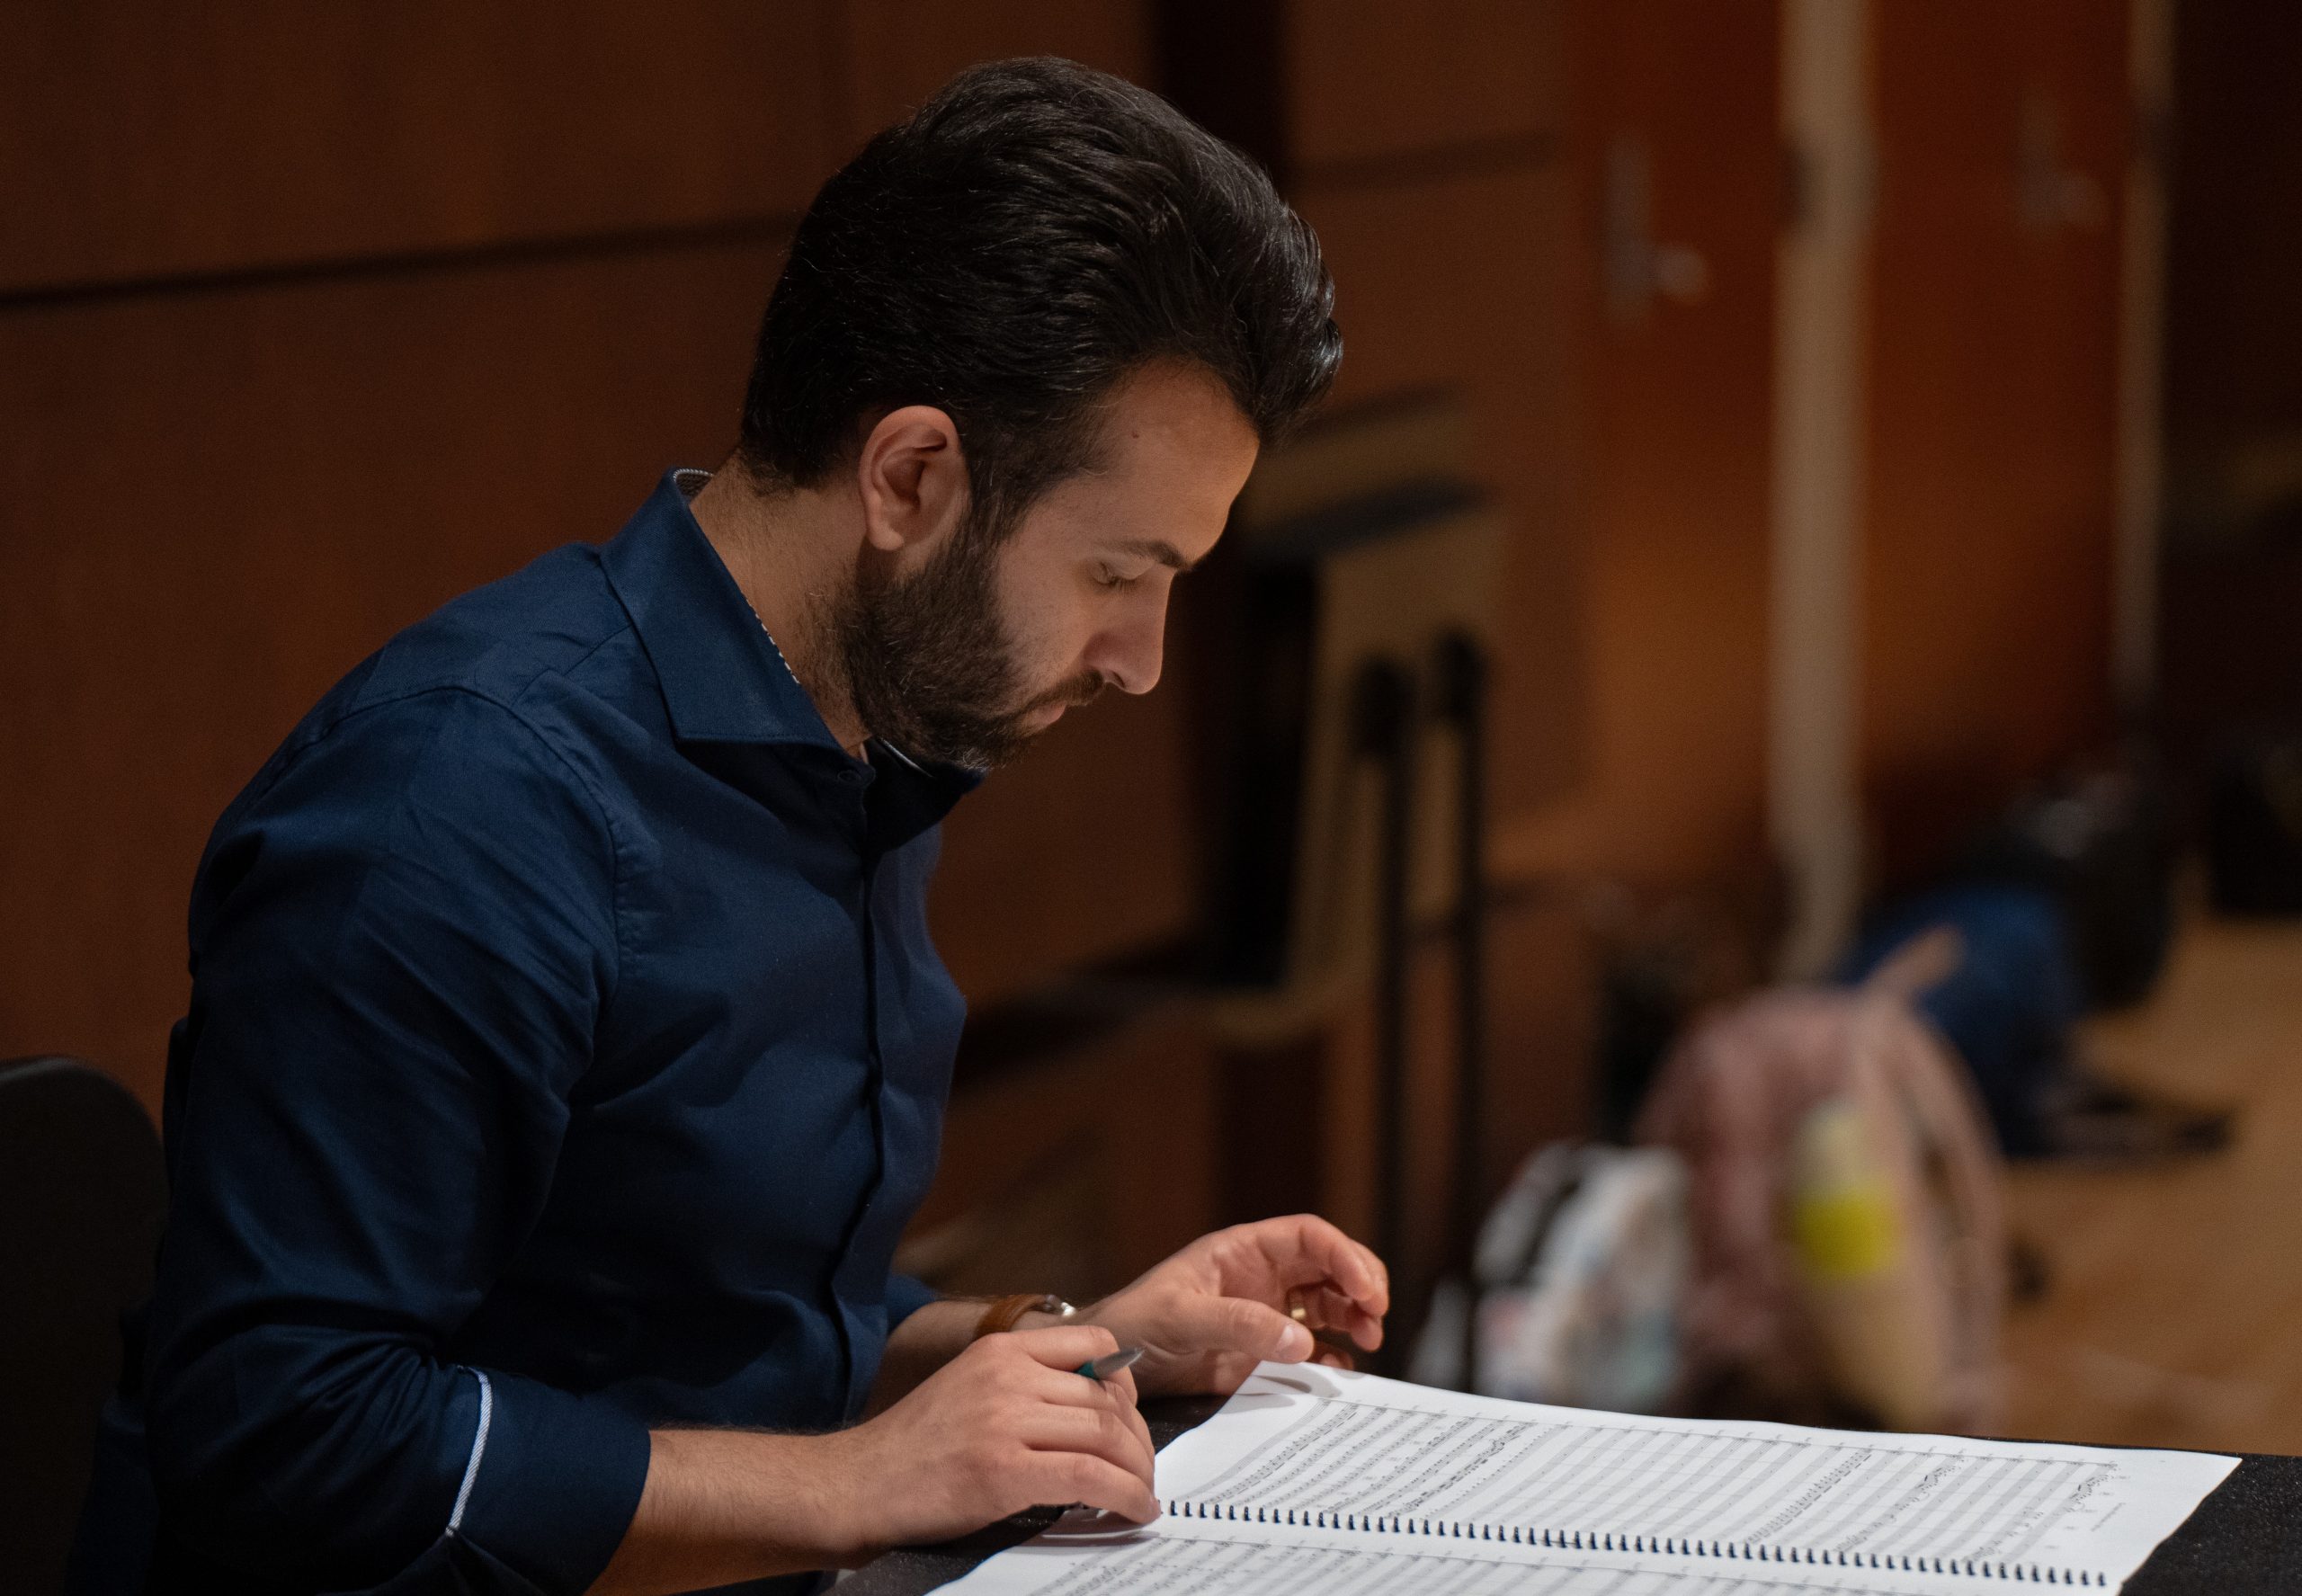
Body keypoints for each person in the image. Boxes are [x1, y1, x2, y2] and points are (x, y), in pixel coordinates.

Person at [68, 55, 1386, 1596]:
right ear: (910, 479)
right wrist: (856, 1484)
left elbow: (697, 1333)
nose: (1141, 661)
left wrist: (1084, 1348)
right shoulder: (459, 809)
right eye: (1116, 574)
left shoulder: (860, 737)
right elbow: (283, 1439)